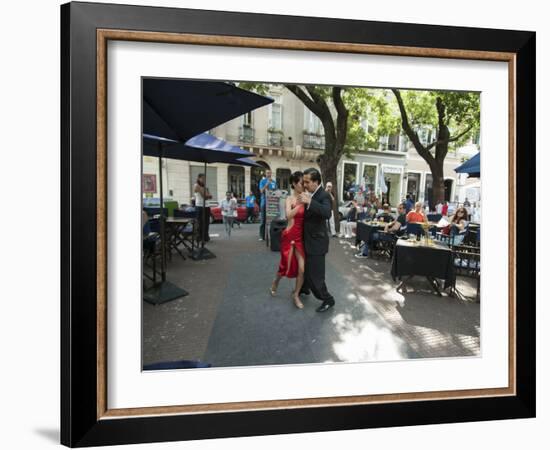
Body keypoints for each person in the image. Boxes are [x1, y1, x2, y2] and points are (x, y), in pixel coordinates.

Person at [298, 168, 335, 313]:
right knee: (306, 269)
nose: (304, 184)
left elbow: (326, 213)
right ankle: (304, 288)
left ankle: (328, 299)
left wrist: (310, 201)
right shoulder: (311, 193)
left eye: (307, 182)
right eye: (304, 181)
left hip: (317, 244)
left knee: (316, 277)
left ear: (316, 182)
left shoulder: (324, 195)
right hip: (308, 241)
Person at [270, 172, 306, 309]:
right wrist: (299, 203)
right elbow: (288, 215)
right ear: (294, 184)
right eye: (301, 183)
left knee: (302, 269)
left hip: (300, 238)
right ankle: (276, 281)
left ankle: (296, 294)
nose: (303, 185)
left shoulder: (307, 197)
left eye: (304, 183)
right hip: (289, 236)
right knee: (285, 265)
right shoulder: (289, 199)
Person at [258, 170, 277, 241]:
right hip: (264, 202)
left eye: (270, 173)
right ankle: (261, 236)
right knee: (263, 220)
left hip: (272, 203)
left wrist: (274, 188)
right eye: (267, 173)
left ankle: (272, 235)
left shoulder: (274, 182)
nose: (269, 174)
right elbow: (261, 191)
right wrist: (267, 184)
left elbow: (276, 191)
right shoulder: (262, 181)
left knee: (272, 220)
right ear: (265, 174)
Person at [194, 173, 212, 242]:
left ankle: (205, 236)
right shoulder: (196, 185)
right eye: (203, 178)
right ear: (199, 178)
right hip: (200, 206)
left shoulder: (205, 187)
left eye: (205, 178)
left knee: (206, 223)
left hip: (207, 206)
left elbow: (210, 196)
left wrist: (207, 195)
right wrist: (207, 195)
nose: (204, 180)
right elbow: (204, 196)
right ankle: (199, 237)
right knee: (200, 222)